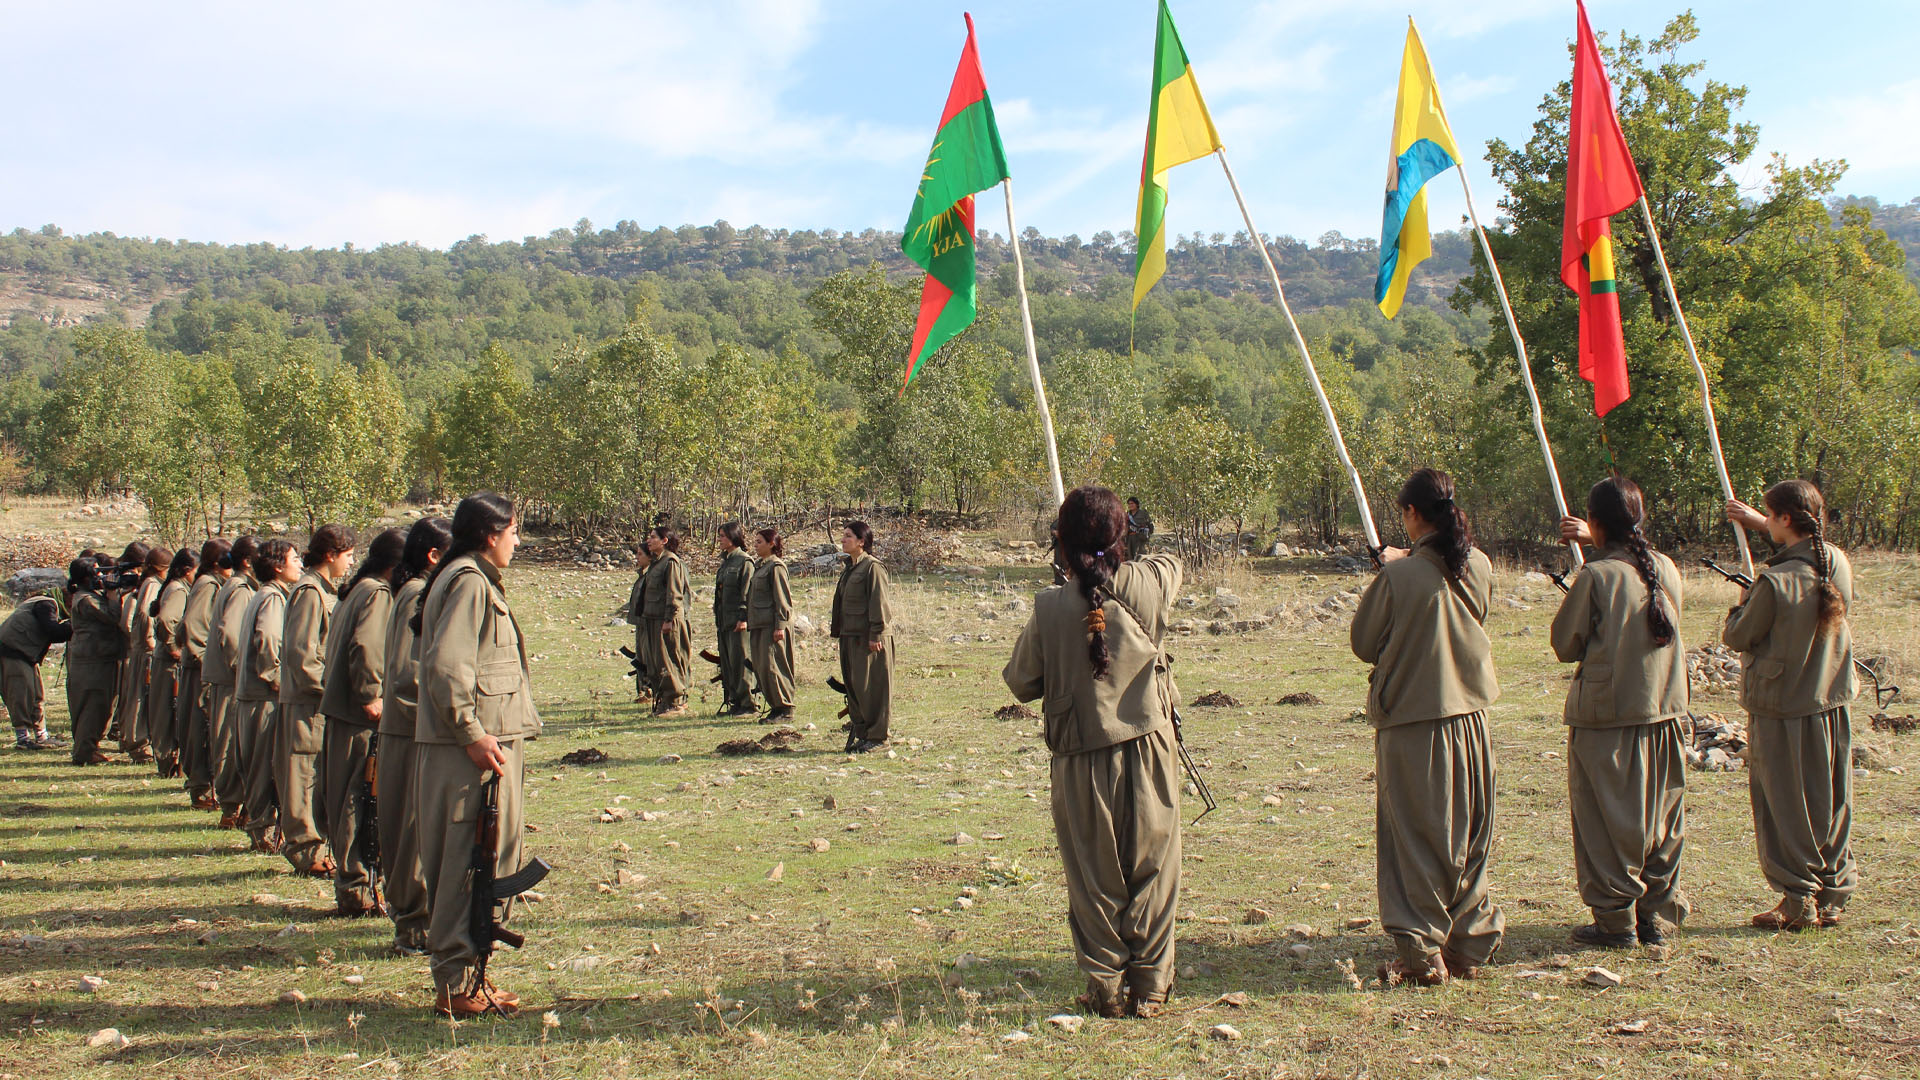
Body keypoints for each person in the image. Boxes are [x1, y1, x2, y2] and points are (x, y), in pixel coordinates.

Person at [1003, 486, 1185, 1018]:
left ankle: (1105, 986)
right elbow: (1172, 564)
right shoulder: (1148, 583)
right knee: (1154, 867)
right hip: (1149, 748)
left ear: (1062, 540)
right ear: (1120, 536)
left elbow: (1021, 681)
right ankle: (1150, 987)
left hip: (1080, 755)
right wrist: (1116, 556)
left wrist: (1068, 583)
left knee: (1093, 876)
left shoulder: (1050, 607)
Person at [1349, 468, 1503, 986]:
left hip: (1415, 723)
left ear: (1413, 513)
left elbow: (1364, 643)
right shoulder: (1478, 563)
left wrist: (1393, 572)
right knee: (1469, 835)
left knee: (1413, 838)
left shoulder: (1399, 577)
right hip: (1472, 719)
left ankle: (1420, 954)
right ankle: (1469, 942)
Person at [413, 493, 539, 1017]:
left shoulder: (471, 578)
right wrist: (470, 733)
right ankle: (454, 984)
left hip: (479, 747)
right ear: (491, 534)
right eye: (513, 531)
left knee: (481, 864)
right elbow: (447, 666)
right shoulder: (467, 581)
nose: (518, 541)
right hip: (467, 752)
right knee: (464, 866)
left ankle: (470, 977)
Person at [1552, 477, 1690, 948]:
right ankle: (1656, 914)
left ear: (1594, 522)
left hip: (1607, 718)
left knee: (1605, 821)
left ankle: (1615, 922)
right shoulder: (1664, 567)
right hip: (1663, 711)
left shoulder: (1596, 576)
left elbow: (1565, 644)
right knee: (1661, 819)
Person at [1724, 481, 1859, 931]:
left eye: (1770, 515)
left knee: (1783, 805)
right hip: (1830, 700)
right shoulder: (1835, 561)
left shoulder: (1775, 582)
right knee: (1831, 799)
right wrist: (1758, 524)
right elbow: (1805, 549)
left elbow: (1739, 636)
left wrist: (1741, 604)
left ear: (1785, 518)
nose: (1767, 520)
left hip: (1782, 706)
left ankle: (1798, 898)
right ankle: (1833, 893)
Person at [321, 527, 404, 918]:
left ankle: (354, 888)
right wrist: (371, 695)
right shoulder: (377, 593)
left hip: (344, 715)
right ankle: (357, 890)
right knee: (358, 802)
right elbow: (366, 648)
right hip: (359, 718)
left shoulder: (357, 589)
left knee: (348, 800)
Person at [379, 516, 451, 956]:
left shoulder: (413, 590)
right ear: (433, 555)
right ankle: (413, 925)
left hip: (411, 726)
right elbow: (409, 674)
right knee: (409, 832)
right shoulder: (415, 595)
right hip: (411, 728)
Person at [279, 525, 356, 877]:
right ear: (330, 554)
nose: (350, 563)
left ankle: (316, 847)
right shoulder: (309, 592)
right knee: (303, 775)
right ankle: (306, 851)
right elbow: (301, 655)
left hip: (318, 701)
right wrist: (330, 692)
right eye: (347, 555)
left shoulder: (322, 590)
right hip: (308, 702)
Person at [237, 540, 300, 853]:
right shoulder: (273, 598)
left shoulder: (263, 594)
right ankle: (263, 833)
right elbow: (268, 640)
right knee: (263, 766)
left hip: (254, 694)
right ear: (277, 566)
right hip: (264, 696)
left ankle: (263, 831)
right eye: (294, 558)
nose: (299, 564)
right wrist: (278, 679)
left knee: (257, 764)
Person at [205, 537, 260, 828]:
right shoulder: (240, 589)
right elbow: (229, 634)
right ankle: (230, 807)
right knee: (229, 744)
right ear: (247, 562)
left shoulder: (235, 585)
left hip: (229, 678)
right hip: (231, 679)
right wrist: (241, 669)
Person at [177, 539, 232, 809]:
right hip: (201, 670)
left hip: (203, 668)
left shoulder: (211, 583)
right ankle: (201, 789)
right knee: (199, 729)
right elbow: (193, 625)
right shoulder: (208, 584)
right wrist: (205, 659)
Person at [831, 522, 893, 752]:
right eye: (843, 535)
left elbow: (879, 603)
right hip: (850, 635)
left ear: (861, 541)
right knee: (855, 688)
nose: (843, 539)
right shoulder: (851, 568)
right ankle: (863, 734)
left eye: (848, 536)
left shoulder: (872, 567)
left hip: (869, 638)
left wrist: (876, 633)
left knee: (872, 688)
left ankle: (878, 737)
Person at [65, 559, 127, 765]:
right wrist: (112, 593)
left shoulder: (89, 596)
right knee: (93, 706)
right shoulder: (86, 600)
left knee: (101, 705)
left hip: (99, 658)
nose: (101, 577)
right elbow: (112, 617)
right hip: (92, 661)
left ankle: (89, 748)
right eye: (96, 573)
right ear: (85, 578)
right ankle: (84, 751)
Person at [2, 581, 72, 750]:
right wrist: (75, 624)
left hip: (26, 654)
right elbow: (54, 632)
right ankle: (23, 739)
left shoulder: (45, 602)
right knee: (21, 696)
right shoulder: (46, 605)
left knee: (37, 695)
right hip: (13, 653)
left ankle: (41, 736)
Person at [147, 547, 198, 778]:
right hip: (169, 662)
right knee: (168, 714)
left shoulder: (173, 586)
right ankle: (168, 763)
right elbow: (167, 620)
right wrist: (174, 648)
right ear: (187, 570)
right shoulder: (178, 589)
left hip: (165, 659)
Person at [118, 544, 169, 763]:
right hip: (146, 650)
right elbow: (146, 614)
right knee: (140, 698)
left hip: (142, 648)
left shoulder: (147, 583)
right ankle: (139, 745)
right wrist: (149, 639)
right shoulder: (152, 584)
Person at [746, 527, 795, 724]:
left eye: (759, 542)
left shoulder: (776, 567)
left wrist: (780, 625)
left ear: (771, 544)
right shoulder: (761, 566)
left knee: (774, 666)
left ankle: (784, 708)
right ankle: (775, 707)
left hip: (772, 626)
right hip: (759, 624)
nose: (755, 545)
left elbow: (782, 598)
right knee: (762, 667)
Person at [642, 526, 692, 718]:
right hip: (653, 619)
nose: (649, 540)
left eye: (653, 537)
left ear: (664, 541)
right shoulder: (657, 563)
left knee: (669, 660)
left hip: (666, 620)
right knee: (656, 662)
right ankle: (664, 701)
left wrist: (669, 619)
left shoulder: (671, 562)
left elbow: (674, 593)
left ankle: (675, 703)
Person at [106, 541, 150, 749]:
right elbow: (126, 621)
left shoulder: (120, 579)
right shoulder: (125, 584)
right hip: (130, 649)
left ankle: (124, 734)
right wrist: (139, 638)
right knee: (130, 697)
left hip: (125, 648)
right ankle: (127, 737)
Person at [713, 522, 757, 717]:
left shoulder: (744, 562)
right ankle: (735, 703)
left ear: (733, 537)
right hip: (724, 621)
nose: (720, 539)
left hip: (738, 622)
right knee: (728, 664)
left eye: (723, 536)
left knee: (741, 663)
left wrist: (743, 617)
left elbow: (747, 593)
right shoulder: (726, 562)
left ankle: (748, 704)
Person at [625, 545, 653, 705]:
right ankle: (643, 690)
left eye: (641, 554)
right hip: (640, 623)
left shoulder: (652, 576)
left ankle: (651, 689)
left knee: (649, 657)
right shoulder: (642, 576)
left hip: (650, 624)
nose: (637, 557)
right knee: (640, 658)